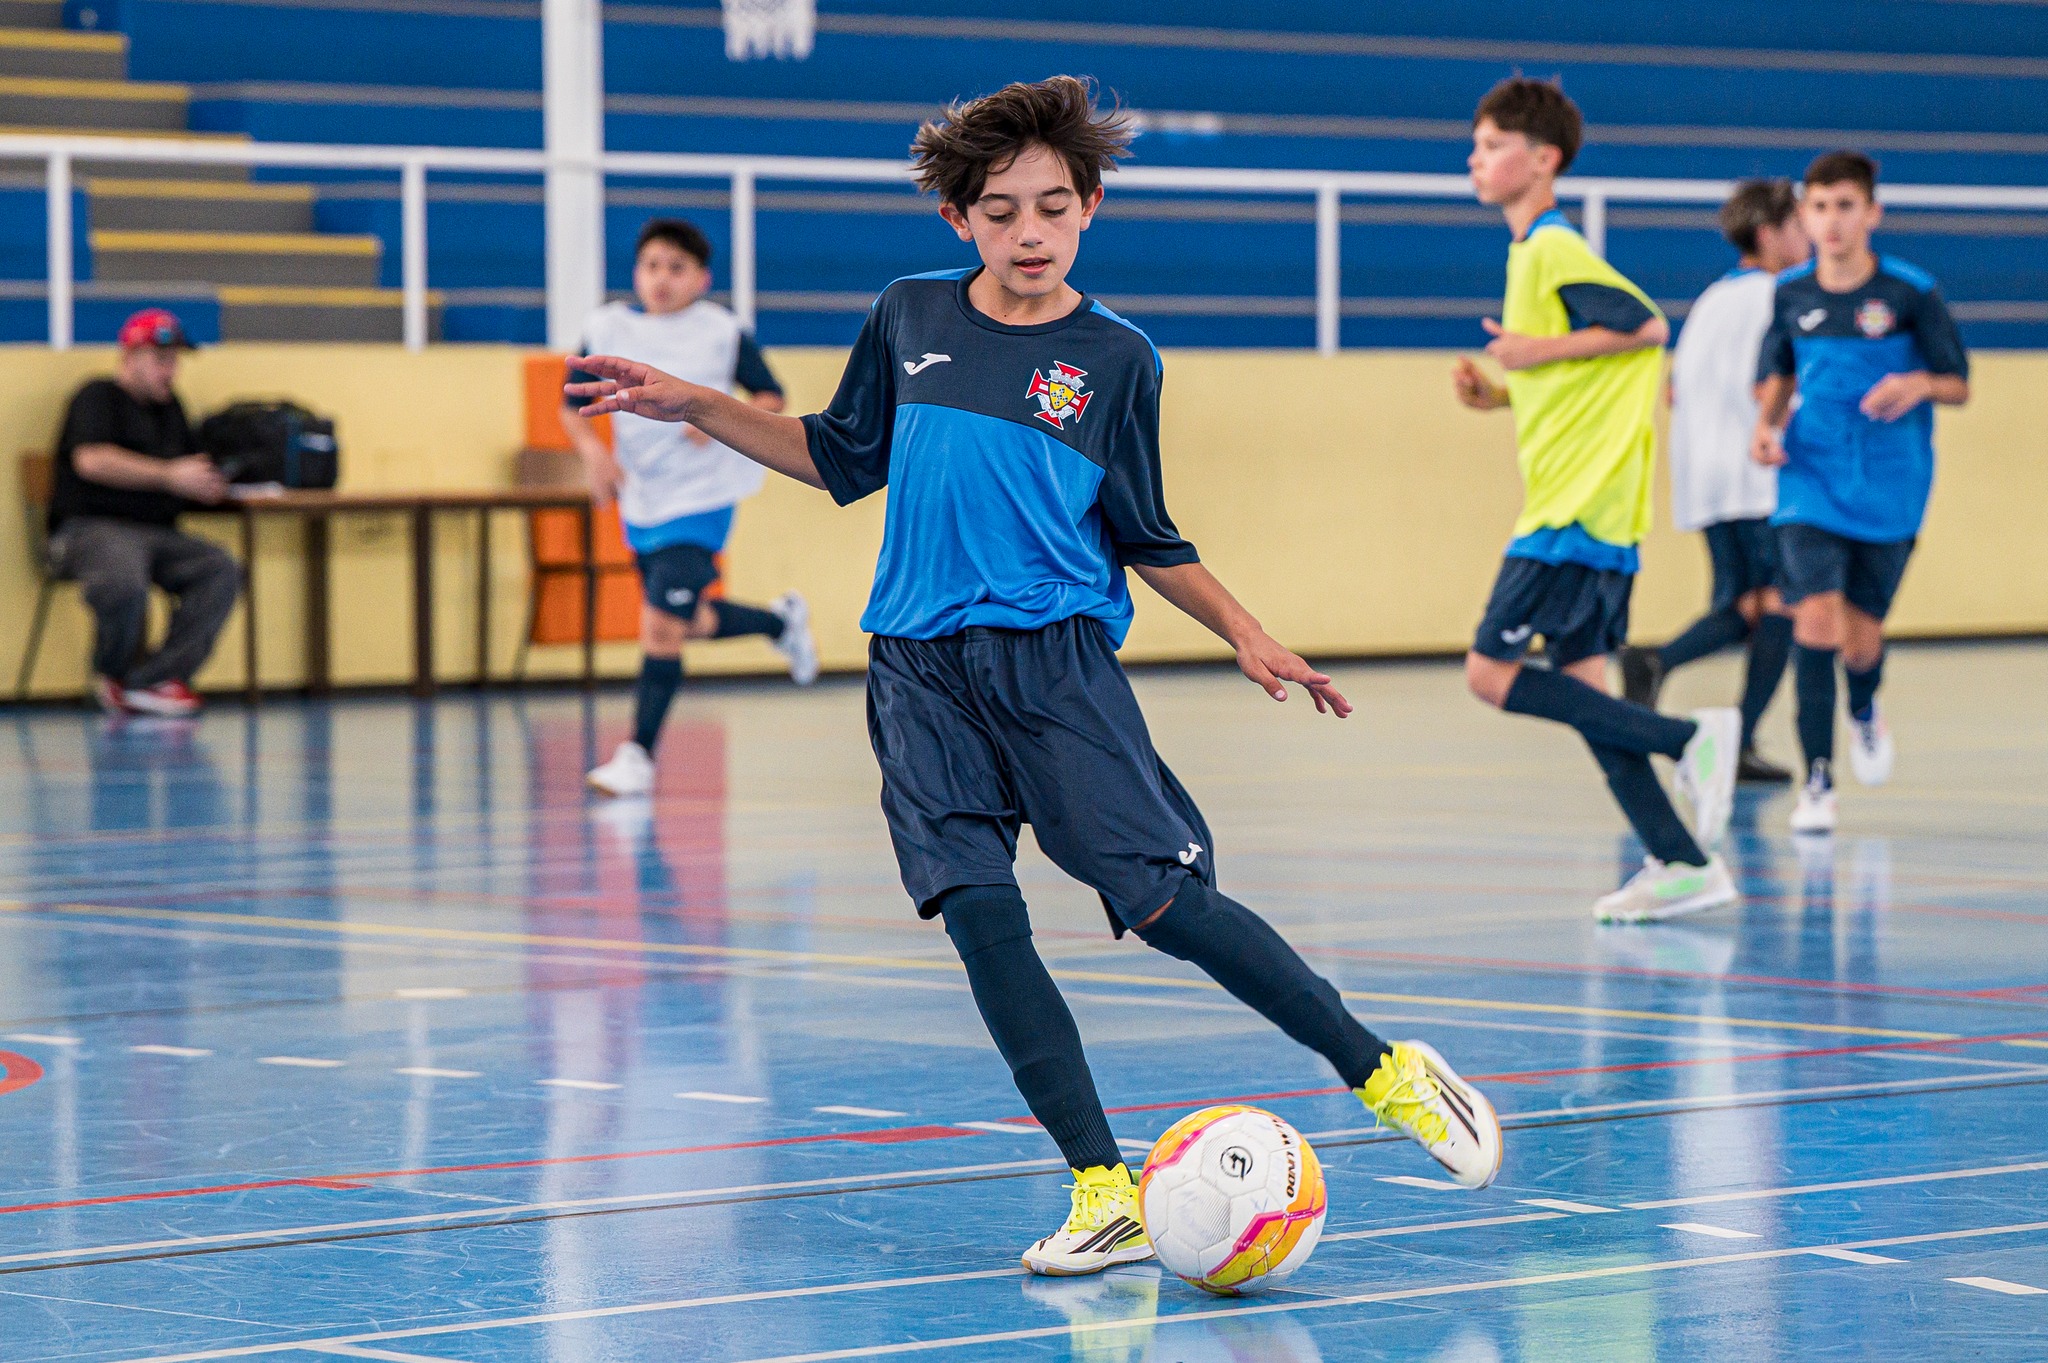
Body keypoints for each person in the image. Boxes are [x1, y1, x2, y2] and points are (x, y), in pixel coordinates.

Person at [569, 75, 1503, 1278]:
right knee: (978, 915)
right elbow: (836, 454)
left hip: (1053, 667)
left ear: (1088, 206)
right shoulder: (908, 314)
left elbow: (1146, 533)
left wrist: (1247, 631)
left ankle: (1384, 1071)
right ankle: (1100, 1186)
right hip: (916, 669)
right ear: (957, 217)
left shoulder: (1116, 358)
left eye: (1052, 208)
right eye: (1000, 211)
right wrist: (691, 403)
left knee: (1169, 908)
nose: (1028, 233)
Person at [1452, 77, 1741, 925]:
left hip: (1571, 511)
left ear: (1544, 160)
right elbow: (1584, 368)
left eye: (1493, 144)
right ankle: (1683, 863)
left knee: (1489, 674)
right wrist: (1503, 392)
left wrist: (1531, 351)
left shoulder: (1550, 246)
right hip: (1592, 508)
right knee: (1591, 704)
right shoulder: (1530, 253)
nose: (1475, 158)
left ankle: (1692, 738)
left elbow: (1644, 325)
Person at [564, 218, 821, 799]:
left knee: (659, 627)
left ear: (702, 279)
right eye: (652, 266)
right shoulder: (606, 326)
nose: (662, 279)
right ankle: (780, 622)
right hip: (642, 498)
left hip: (704, 496)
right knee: (684, 620)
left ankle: (637, 756)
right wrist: (593, 454)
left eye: (676, 268)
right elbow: (567, 403)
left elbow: (770, 395)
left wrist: (718, 414)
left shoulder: (721, 331)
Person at [1752, 151, 1969, 835]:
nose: (1832, 221)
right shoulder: (1790, 292)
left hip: (1889, 481)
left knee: (1861, 640)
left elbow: (1958, 382)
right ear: (1804, 215)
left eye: (1845, 206)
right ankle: (1818, 781)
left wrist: (1917, 384)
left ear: (1871, 213)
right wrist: (1765, 428)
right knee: (1814, 617)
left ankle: (1865, 705)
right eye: (1819, 207)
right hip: (1810, 475)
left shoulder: (1910, 293)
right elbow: (1779, 374)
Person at [1617, 180, 1811, 784]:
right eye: (1799, 224)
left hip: (1704, 477)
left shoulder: (1708, 302)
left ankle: (1664, 671)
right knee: (1783, 602)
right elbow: (1779, 385)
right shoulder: (1781, 295)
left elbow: (1674, 391)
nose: (1810, 235)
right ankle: (1733, 732)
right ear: (1769, 234)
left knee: (1743, 604)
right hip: (1755, 475)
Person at [48, 308, 239, 717]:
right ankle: (112, 675)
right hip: (89, 529)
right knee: (123, 573)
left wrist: (209, 482)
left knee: (220, 568)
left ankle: (150, 680)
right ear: (130, 357)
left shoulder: (172, 410)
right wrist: (169, 476)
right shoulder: (97, 396)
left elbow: (190, 468)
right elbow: (91, 461)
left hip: (158, 533)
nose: (170, 371)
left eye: (174, 362)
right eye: (161, 360)